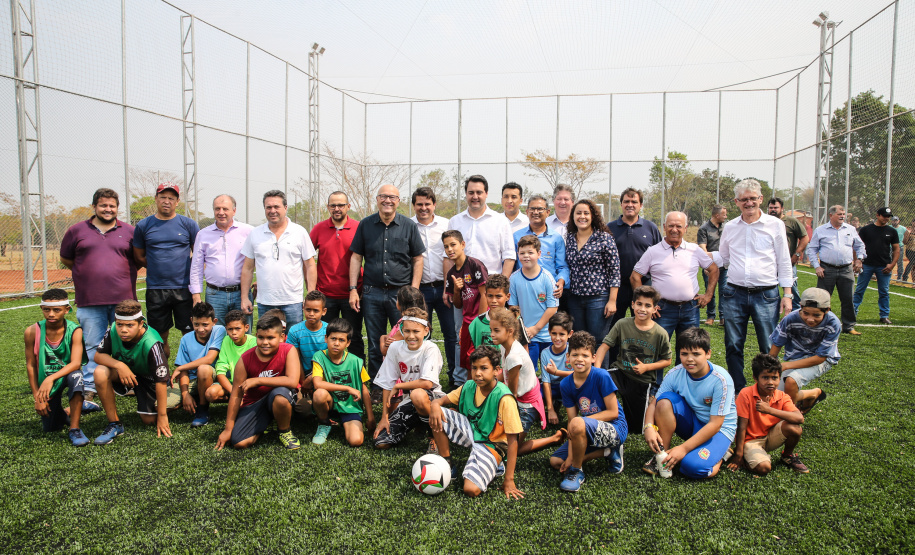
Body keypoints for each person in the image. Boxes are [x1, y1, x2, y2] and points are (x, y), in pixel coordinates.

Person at [714, 179, 794, 391]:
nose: (749, 203)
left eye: (753, 198)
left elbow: (784, 260)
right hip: (733, 294)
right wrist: (696, 255)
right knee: (732, 346)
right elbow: (723, 258)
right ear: (736, 202)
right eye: (744, 199)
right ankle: (738, 390)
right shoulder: (730, 227)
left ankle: (767, 391)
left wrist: (787, 294)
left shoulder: (775, 225)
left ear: (760, 199)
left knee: (768, 347)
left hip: (766, 295)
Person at [60, 187, 137, 401]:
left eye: (112, 206)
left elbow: (138, 259)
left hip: (124, 302)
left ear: (117, 208)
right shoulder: (77, 230)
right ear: (94, 206)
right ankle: (90, 386)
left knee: (125, 342)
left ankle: (125, 382)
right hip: (90, 300)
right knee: (93, 344)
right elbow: (67, 258)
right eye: (103, 205)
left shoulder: (129, 231)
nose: (108, 209)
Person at [419, 346, 525, 499]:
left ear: (496, 370)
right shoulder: (469, 386)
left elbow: (513, 441)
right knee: (438, 413)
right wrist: (435, 404)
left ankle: (497, 465)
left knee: (470, 490)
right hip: (472, 431)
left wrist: (509, 480)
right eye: (474, 368)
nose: (478, 373)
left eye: (484, 368)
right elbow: (441, 401)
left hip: (492, 445)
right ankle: (447, 462)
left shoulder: (504, 397)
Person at [349, 184, 425, 392]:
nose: (387, 201)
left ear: (398, 201)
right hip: (372, 292)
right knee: (375, 342)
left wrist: (414, 291)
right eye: (383, 196)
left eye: (392, 197)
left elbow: (418, 258)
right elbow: (356, 257)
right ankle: (378, 384)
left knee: (405, 339)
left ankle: (405, 385)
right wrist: (353, 289)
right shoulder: (365, 225)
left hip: (400, 293)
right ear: (377, 199)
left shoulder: (408, 226)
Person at [642, 327, 737, 479]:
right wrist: (648, 427)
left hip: (718, 431)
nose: (689, 359)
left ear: (708, 354)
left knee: (691, 467)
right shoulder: (676, 373)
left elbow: (715, 424)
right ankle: (662, 454)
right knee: (665, 401)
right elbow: (654, 403)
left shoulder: (721, 380)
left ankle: (721, 455)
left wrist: (683, 448)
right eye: (684, 354)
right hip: (694, 422)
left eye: (696, 354)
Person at [631, 211, 717, 364]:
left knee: (689, 351)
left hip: (690, 308)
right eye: (670, 226)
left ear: (686, 228)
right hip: (663, 309)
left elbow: (713, 269)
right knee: (656, 349)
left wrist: (708, 295)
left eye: (678, 226)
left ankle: (683, 385)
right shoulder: (653, 251)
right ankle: (655, 387)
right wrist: (648, 303)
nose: (674, 229)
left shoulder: (694, 250)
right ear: (664, 227)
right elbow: (635, 277)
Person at [550, 331, 628, 492]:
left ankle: (576, 471)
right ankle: (607, 452)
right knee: (555, 461)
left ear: (593, 358)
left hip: (615, 428)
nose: (579, 359)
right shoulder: (566, 384)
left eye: (585, 355)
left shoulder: (601, 376)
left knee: (578, 423)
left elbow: (613, 412)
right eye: (575, 354)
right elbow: (572, 425)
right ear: (568, 358)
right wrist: (570, 456)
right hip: (588, 429)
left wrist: (583, 423)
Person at [215, 314, 302, 451]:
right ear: (256, 336)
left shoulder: (288, 350)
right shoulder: (245, 359)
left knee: (280, 396)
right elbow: (236, 395)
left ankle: (284, 430)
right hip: (255, 401)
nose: (265, 342)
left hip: (280, 396)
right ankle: (266, 422)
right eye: (261, 337)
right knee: (239, 443)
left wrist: (258, 380)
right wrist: (228, 428)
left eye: (270, 338)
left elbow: (292, 381)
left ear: (281, 337)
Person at [133, 182, 200, 358]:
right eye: (163, 197)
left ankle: (190, 373)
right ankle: (163, 374)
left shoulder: (188, 224)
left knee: (190, 334)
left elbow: (199, 255)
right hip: (156, 289)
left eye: (171, 198)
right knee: (159, 337)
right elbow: (139, 256)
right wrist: (157, 265)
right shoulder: (143, 225)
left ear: (177, 201)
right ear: (156, 199)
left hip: (184, 288)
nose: (166, 201)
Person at [92, 300, 172, 445]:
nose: (123, 329)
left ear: (141, 324)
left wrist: (162, 415)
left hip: (148, 378)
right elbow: (98, 356)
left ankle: (173, 393)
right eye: (120, 324)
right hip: (125, 373)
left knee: (149, 421)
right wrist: (120, 365)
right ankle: (114, 423)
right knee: (100, 372)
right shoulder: (113, 330)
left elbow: (160, 380)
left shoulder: (152, 343)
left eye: (130, 325)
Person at [594, 285, 672, 432]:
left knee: (636, 428)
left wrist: (646, 367)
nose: (642, 309)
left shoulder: (660, 333)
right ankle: (601, 415)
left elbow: (667, 360)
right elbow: (604, 346)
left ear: (655, 309)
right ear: (633, 305)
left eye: (648, 305)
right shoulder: (622, 324)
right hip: (620, 373)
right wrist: (597, 370)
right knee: (602, 379)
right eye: (639, 304)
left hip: (642, 381)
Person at [489, 308, 566, 457]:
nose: (492, 334)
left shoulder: (513, 356)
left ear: (510, 331)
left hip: (525, 405)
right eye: (491, 329)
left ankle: (554, 438)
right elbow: (503, 376)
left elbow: (512, 394)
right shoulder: (505, 346)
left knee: (510, 450)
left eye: (496, 330)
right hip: (523, 397)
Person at [241, 190, 317, 327]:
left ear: (285, 208)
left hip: (293, 302)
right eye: (268, 207)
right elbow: (247, 268)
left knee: (293, 344)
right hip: (265, 302)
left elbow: (310, 265)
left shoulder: (299, 232)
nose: (272, 211)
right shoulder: (255, 233)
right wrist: (245, 297)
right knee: (268, 344)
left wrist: (310, 295)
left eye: (277, 207)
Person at [24, 289, 90, 446]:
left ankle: (74, 428)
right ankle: (78, 407)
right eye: (47, 310)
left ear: (67, 309)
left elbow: (76, 363)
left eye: (56, 310)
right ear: (42, 309)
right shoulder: (32, 331)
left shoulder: (75, 330)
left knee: (76, 376)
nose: (51, 314)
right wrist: (37, 397)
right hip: (46, 383)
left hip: (64, 375)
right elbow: (31, 364)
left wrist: (51, 378)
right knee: (51, 427)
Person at [372, 308, 445, 450]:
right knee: (381, 442)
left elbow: (427, 383)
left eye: (416, 331)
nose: (411, 336)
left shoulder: (431, 348)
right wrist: (384, 418)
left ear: (426, 330)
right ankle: (419, 423)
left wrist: (399, 386)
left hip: (432, 399)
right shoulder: (394, 347)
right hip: (409, 401)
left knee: (417, 394)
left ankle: (434, 436)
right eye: (407, 331)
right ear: (401, 330)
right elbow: (387, 383)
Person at [727, 354, 807, 475]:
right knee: (764, 468)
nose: (770, 382)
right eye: (765, 377)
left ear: (779, 378)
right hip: (751, 440)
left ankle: (787, 456)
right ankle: (746, 456)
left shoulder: (782, 396)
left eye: (774, 378)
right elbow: (741, 427)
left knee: (795, 428)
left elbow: (799, 418)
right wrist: (739, 455)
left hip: (770, 436)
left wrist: (769, 410)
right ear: (755, 378)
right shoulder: (746, 394)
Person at [411, 187, 457, 384]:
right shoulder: (408, 226)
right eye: (419, 204)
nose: (423, 208)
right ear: (414, 205)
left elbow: (452, 257)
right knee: (421, 334)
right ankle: (424, 377)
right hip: (420, 290)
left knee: (451, 334)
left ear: (434, 205)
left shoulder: (446, 225)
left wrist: (449, 288)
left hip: (444, 288)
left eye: (427, 204)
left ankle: (455, 376)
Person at [310, 191, 364, 361]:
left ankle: (357, 374)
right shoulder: (319, 228)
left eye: (341, 205)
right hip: (325, 295)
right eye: (333, 205)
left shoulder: (359, 227)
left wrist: (359, 289)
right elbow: (307, 259)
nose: (337, 208)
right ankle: (326, 372)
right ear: (328, 207)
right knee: (327, 337)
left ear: (348, 206)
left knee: (353, 337)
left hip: (352, 294)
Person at [768, 287, 838, 413]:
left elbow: (821, 357)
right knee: (773, 397)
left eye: (816, 315)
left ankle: (790, 417)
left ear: (827, 310)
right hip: (794, 357)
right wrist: (768, 367)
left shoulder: (833, 324)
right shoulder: (790, 319)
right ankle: (813, 394)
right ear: (800, 306)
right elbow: (776, 345)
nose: (810, 319)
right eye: (806, 313)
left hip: (822, 360)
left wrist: (785, 366)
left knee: (791, 381)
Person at [189, 194, 254, 326]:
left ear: (234, 210)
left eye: (225, 209)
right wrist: (196, 295)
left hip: (241, 293)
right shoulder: (203, 234)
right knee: (215, 335)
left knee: (242, 336)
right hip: (214, 295)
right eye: (217, 209)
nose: (221, 213)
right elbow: (196, 266)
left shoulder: (248, 231)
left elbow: (260, 258)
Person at [311, 318, 375, 447]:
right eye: (333, 339)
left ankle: (343, 421)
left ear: (348, 343)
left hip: (349, 407)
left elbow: (363, 389)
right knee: (319, 394)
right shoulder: (319, 356)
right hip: (329, 404)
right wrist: (347, 388)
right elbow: (317, 384)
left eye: (341, 340)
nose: (336, 343)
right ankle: (324, 423)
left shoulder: (356, 361)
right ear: (326, 338)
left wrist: (371, 417)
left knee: (356, 441)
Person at [565, 199, 620, 348]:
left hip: (598, 298)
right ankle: (583, 372)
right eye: (578, 213)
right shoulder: (570, 238)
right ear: (573, 216)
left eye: (586, 213)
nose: (582, 216)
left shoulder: (604, 238)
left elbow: (614, 271)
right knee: (579, 340)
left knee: (599, 340)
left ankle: (600, 372)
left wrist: (612, 300)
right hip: (575, 298)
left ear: (593, 216)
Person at [607, 187, 662, 334]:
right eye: (626, 201)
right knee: (613, 327)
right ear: (621, 204)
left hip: (644, 285)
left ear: (641, 205)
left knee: (643, 326)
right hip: (617, 287)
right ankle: (614, 357)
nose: (630, 204)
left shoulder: (651, 228)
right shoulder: (609, 228)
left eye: (634, 201)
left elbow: (660, 257)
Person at [805, 205, 865, 335]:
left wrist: (859, 259)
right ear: (831, 215)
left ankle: (849, 326)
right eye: (839, 214)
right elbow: (812, 249)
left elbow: (860, 245)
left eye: (843, 214)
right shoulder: (821, 230)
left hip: (846, 269)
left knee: (848, 298)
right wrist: (817, 266)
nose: (842, 216)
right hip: (826, 269)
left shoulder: (850, 229)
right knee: (822, 299)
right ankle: (821, 324)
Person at [444, 230, 489, 387]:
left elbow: (484, 294)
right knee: (467, 354)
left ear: (462, 245)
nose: (450, 249)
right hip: (466, 320)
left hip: (480, 319)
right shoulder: (451, 273)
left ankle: (486, 384)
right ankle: (465, 385)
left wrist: (480, 321)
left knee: (482, 350)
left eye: (453, 245)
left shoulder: (475, 265)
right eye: (446, 247)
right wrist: (457, 290)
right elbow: (457, 304)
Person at [171, 302, 226, 428]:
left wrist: (180, 367)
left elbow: (209, 359)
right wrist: (185, 394)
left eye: (205, 325)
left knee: (203, 369)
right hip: (193, 380)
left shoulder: (219, 330)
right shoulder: (185, 339)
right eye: (196, 324)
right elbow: (184, 373)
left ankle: (202, 409)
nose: (201, 329)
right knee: (162, 406)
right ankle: (194, 396)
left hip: (214, 376)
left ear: (214, 321)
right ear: (191, 321)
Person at [509, 235, 559, 374]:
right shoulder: (514, 278)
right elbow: (513, 307)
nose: (526, 256)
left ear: (539, 254)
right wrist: (523, 330)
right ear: (517, 254)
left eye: (530, 252)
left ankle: (550, 395)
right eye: (522, 253)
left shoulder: (547, 278)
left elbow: (553, 307)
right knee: (528, 370)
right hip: (526, 336)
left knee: (549, 372)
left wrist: (536, 328)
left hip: (546, 335)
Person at [512, 194, 568, 300]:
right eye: (532, 209)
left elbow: (562, 267)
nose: (536, 212)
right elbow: (512, 265)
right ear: (527, 212)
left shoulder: (556, 238)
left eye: (540, 209)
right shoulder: (517, 236)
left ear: (547, 212)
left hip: (549, 291)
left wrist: (561, 281)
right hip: (522, 290)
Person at [853, 207, 900, 325]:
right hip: (866, 265)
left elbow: (896, 249)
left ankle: (884, 315)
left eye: (888, 216)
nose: (887, 218)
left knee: (884, 291)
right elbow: (857, 246)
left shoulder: (892, 231)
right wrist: (857, 261)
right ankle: (852, 313)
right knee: (859, 290)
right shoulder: (866, 230)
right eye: (884, 216)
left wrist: (892, 264)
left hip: (884, 266)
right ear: (877, 215)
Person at [203, 309, 256, 405]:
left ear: (246, 327)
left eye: (238, 328)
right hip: (232, 384)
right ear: (226, 329)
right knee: (211, 394)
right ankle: (234, 400)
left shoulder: (254, 342)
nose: (234, 333)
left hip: (250, 384)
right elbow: (220, 372)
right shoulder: (226, 341)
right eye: (230, 329)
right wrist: (234, 393)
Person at [768, 197, 810, 311]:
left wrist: (796, 254)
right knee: (769, 291)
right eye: (770, 208)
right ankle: (772, 313)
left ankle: (796, 313)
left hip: (787, 262)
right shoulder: (766, 222)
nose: (773, 210)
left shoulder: (792, 221)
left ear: (782, 208)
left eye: (776, 207)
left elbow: (805, 238)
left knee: (792, 290)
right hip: (769, 263)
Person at [697, 204, 728, 325]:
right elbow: (702, 247)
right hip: (710, 266)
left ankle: (723, 317)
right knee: (710, 289)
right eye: (724, 214)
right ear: (717, 215)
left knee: (724, 291)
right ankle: (710, 316)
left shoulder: (726, 227)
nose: (725, 217)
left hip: (724, 266)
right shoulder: (704, 228)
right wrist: (707, 264)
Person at [540, 311, 573, 424]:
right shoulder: (545, 353)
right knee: (536, 394)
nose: (557, 338)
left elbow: (579, 375)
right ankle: (553, 403)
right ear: (549, 332)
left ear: (570, 334)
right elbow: (546, 381)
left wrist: (557, 372)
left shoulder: (573, 351)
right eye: (554, 333)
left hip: (569, 386)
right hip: (553, 387)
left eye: (562, 334)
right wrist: (550, 410)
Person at [287, 290, 329, 379]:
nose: (311, 314)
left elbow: (332, 360)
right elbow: (295, 360)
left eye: (316, 311)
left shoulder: (330, 330)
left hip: (325, 372)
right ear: (303, 308)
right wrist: (303, 382)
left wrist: (311, 379)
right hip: (302, 372)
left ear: (324, 311)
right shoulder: (294, 331)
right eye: (308, 310)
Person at [468, 274, 511, 354]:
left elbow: (524, 348)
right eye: (490, 296)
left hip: (507, 366)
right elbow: (471, 351)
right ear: (485, 295)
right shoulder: (476, 323)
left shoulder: (515, 320)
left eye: (498, 296)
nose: (494, 300)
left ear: (507, 297)